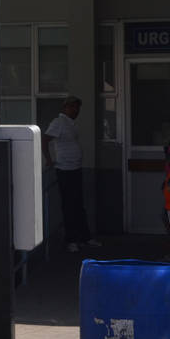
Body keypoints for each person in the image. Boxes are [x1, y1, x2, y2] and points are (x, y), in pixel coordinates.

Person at [43, 96, 101, 253]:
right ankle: (71, 240)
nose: (76, 110)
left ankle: (85, 237)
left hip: (75, 168)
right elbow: (45, 139)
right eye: (73, 107)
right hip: (64, 169)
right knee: (69, 205)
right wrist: (49, 160)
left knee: (78, 205)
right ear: (65, 107)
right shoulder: (59, 122)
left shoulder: (71, 123)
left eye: (78, 107)